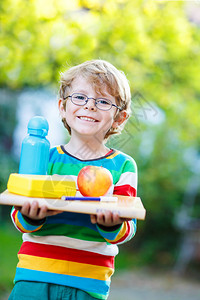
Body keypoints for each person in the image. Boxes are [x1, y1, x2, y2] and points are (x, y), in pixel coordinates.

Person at [9, 59, 138, 300]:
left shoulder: (123, 167)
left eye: (102, 101)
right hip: (35, 274)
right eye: (80, 97)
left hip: (88, 282)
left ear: (119, 118)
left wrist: (111, 224)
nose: (90, 106)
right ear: (62, 107)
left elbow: (128, 228)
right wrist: (29, 215)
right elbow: (18, 216)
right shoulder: (43, 158)